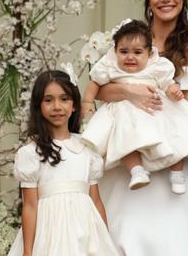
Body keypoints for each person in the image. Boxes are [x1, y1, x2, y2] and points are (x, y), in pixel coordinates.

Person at [94, 0, 188, 255]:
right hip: (129, 152)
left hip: (173, 153)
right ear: (148, 0)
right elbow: (101, 89)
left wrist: (154, 134)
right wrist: (130, 90)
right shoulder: (129, 41)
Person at [81, 19, 188, 194]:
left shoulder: (155, 66)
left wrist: (173, 91)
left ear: (149, 53)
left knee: (173, 136)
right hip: (124, 114)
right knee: (124, 140)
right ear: (115, 51)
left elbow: (167, 83)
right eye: (123, 51)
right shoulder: (110, 66)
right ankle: (137, 171)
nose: (130, 57)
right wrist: (87, 101)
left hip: (155, 110)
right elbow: (95, 83)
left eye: (137, 52)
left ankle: (177, 173)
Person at [7, 70, 118, 256]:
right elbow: (30, 206)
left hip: (86, 233)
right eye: (48, 100)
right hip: (50, 236)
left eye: (64, 99)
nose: (57, 106)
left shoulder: (87, 149)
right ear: (38, 106)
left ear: (74, 104)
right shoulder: (31, 153)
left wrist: (105, 238)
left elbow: (96, 201)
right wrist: (27, 251)